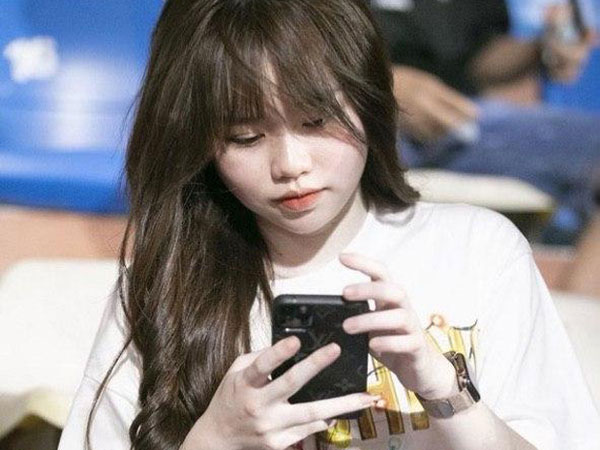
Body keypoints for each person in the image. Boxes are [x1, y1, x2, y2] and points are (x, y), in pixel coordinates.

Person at [58, 1, 600, 449]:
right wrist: (215, 439)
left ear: (369, 100)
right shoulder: (161, 288)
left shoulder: (479, 250)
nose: (290, 164)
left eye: (316, 121)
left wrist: (445, 391)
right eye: (246, 137)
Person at [370, 0, 600, 247]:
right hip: (364, 114)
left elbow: (477, 57)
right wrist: (385, 86)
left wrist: (541, 48)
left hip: (456, 118)